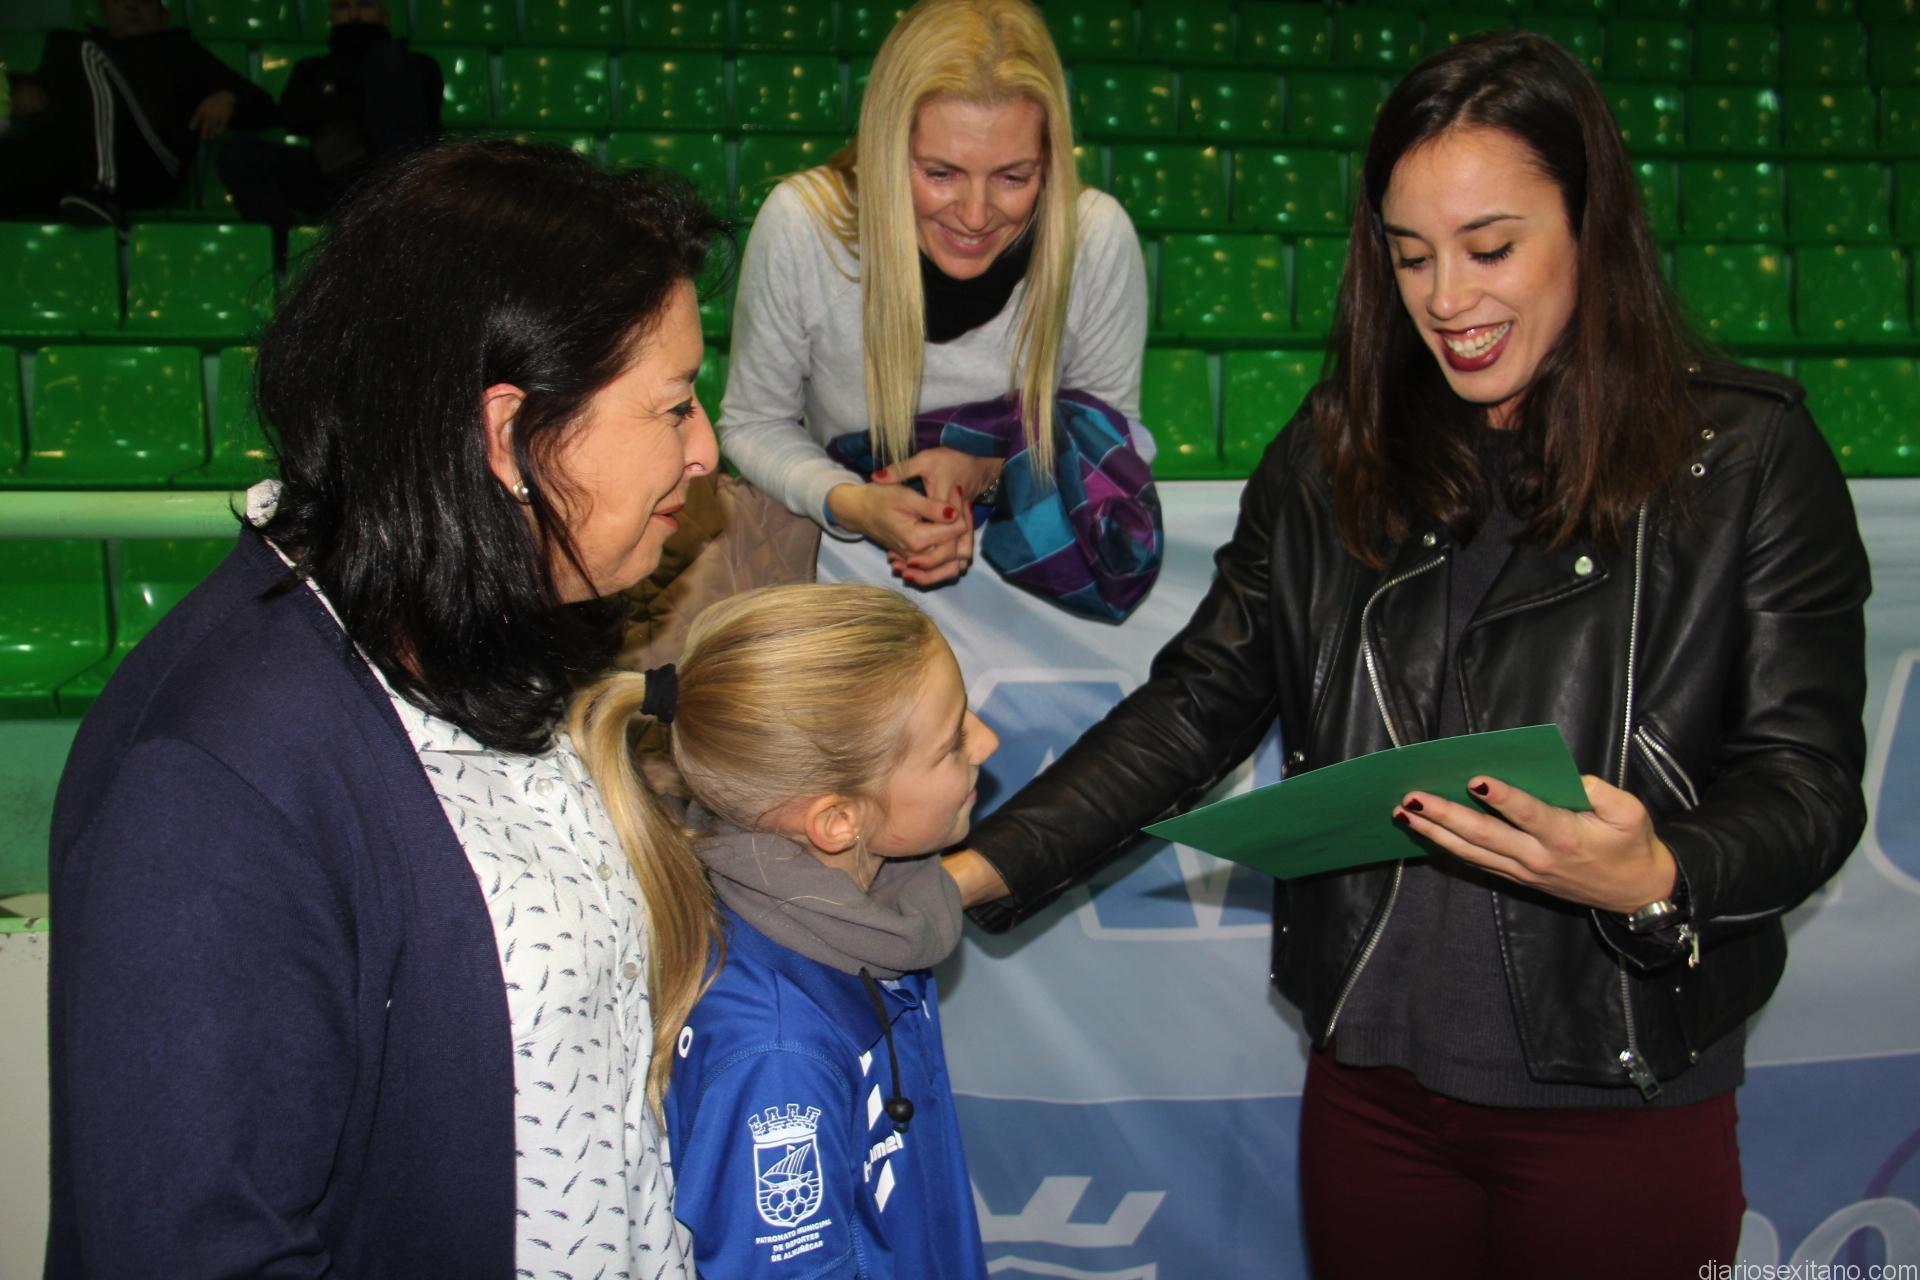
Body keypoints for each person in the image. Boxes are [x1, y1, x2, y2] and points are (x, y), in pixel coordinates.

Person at [945, 32, 1872, 1280]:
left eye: (1491, 248)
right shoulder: (1334, 450)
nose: (1445, 299)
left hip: (1623, 1097)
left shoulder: (1746, 459)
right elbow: (1199, 700)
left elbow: (1807, 785)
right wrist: (968, 875)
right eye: (1411, 253)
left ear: (1590, 229)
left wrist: (1662, 870)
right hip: (1373, 1096)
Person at [46, 141, 724, 1278]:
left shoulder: (469, 638)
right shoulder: (217, 781)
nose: (705, 449)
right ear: (510, 436)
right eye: (674, 405)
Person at [573, 583, 999, 1278]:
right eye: (952, 743)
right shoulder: (778, 1055)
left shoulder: (869, 922)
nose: (987, 741)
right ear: (838, 822)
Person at [717, 0, 1150, 591]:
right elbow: (753, 422)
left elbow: (1115, 451)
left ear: (1050, 161)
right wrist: (851, 502)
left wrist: (986, 475)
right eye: (940, 174)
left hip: (1037, 590)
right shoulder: (806, 225)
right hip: (845, 578)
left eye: (1013, 177)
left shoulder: (1094, 238)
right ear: (887, 148)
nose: (974, 215)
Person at [1, 0, 272, 225]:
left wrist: (229, 97)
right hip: (71, 163)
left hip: (147, 163)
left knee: (81, 49)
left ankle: (100, 189)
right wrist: (20, 89)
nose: (132, 5)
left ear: (163, 14)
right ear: (104, 7)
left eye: (144, 0)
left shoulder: (180, 51)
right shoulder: (74, 57)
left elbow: (265, 106)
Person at [217, 0, 442, 230]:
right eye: (342, 7)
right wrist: (364, 102)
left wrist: (334, 98)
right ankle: (284, 244)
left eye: (365, 5)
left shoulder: (418, 65)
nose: (354, 15)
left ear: (385, 16)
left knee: (386, 55)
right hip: (331, 173)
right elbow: (293, 117)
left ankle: (395, 211)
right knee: (239, 153)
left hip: (394, 177)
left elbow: (420, 124)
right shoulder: (312, 68)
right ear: (330, 18)